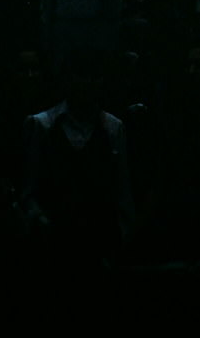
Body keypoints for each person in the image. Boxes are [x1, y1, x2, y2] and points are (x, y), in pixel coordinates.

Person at [20, 48, 134, 282]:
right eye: (81, 75)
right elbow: (29, 191)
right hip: (53, 245)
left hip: (97, 246)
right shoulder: (41, 126)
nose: (87, 82)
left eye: (93, 76)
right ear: (67, 79)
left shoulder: (113, 128)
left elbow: (122, 193)